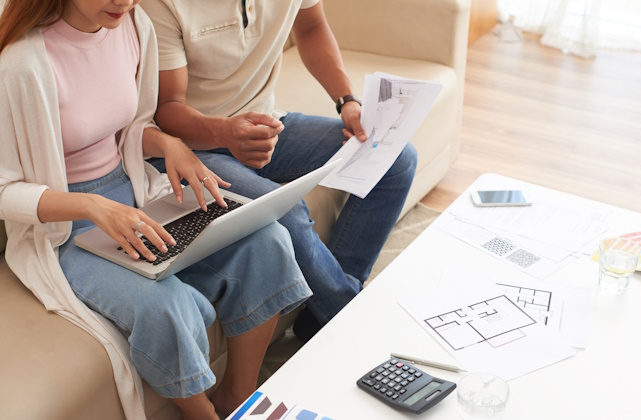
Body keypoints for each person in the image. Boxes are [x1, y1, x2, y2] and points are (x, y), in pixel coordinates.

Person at [0, 0, 312, 418]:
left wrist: (169, 145)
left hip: (136, 193)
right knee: (165, 305)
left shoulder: (133, 25)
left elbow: (132, 124)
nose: (124, 2)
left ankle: (238, 396)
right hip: (67, 226)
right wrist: (93, 206)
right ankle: (203, 416)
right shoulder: (21, 62)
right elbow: (4, 189)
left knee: (266, 240)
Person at [142, 0, 418, 340]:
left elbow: (311, 27)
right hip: (192, 148)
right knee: (286, 210)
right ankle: (351, 326)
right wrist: (226, 132)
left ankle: (323, 317)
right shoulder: (162, 4)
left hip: (268, 124)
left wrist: (347, 100)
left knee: (396, 160)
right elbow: (168, 108)